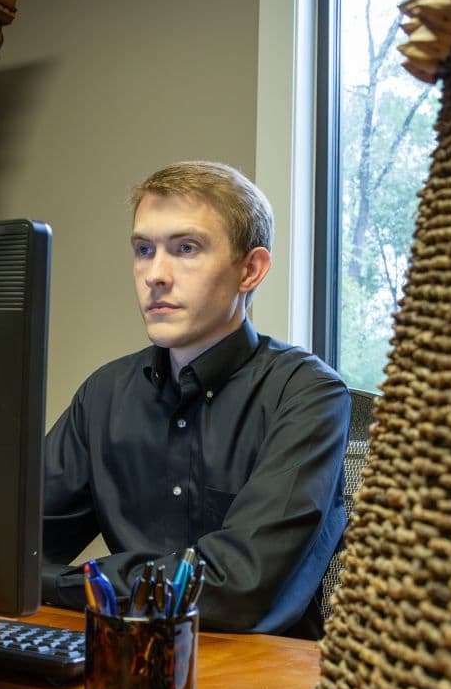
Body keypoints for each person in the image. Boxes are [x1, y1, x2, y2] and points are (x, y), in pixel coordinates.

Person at [41, 161, 350, 637]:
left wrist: (79, 582)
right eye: (144, 250)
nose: (155, 275)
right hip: (125, 657)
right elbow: (12, 548)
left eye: (186, 249)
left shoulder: (309, 395)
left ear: (251, 269)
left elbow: (237, 589)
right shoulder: (103, 395)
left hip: (258, 683)